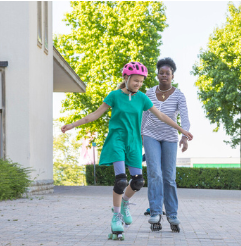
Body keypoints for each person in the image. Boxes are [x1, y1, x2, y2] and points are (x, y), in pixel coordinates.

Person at [61, 62, 193, 238]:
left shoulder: (142, 98)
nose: (138, 84)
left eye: (141, 82)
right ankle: (116, 215)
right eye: (135, 81)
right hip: (117, 140)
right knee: (121, 180)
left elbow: (161, 116)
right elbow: (94, 114)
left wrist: (182, 130)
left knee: (138, 181)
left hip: (134, 143)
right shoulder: (114, 96)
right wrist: (72, 125)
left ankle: (124, 202)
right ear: (126, 78)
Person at [141, 57, 190, 230]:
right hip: (150, 135)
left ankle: (172, 214)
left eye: (167, 73)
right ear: (157, 75)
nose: (164, 76)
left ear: (172, 76)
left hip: (169, 137)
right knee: (155, 173)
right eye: (161, 73)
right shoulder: (148, 92)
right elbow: (144, 115)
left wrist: (184, 136)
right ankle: (155, 212)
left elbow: (184, 117)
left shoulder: (179, 95)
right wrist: (140, 137)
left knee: (169, 177)